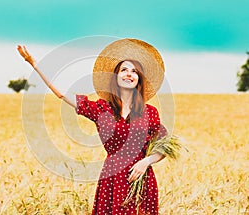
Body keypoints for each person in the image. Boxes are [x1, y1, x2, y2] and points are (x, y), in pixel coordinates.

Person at [18, 38, 167, 215]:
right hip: (112, 178)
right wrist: (34, 63)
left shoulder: (150, 112)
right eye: (124, 70)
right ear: (116, 77)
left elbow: (164, 147)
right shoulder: (101, 109)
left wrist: (146, 161)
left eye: (134, 71)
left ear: (139, 79)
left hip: (141, 178)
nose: (129, 74)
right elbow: (61, 93)